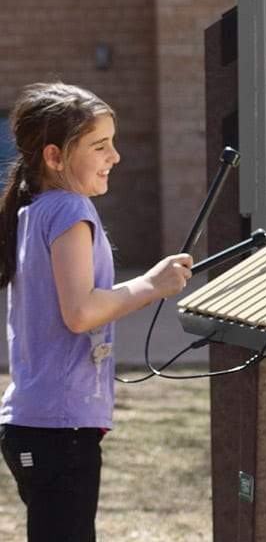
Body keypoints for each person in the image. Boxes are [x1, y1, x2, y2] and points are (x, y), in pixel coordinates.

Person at [0, 82, 194, 542]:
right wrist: (150, 285)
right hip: (57, 430)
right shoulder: (68, 208)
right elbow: (81, 312)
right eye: (100, 145)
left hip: (40, 425)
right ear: (54, 156)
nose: (116, 156)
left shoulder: (35, 209)